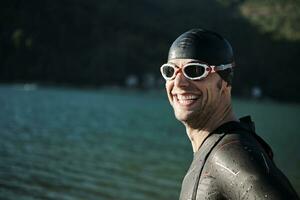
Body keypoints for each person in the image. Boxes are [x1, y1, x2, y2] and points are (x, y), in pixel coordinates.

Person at [160, 28, 299, 200]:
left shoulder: (230, 154)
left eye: (195, 71)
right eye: (170, 71)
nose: (179, 83)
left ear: (225, 81)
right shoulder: (216, 149)